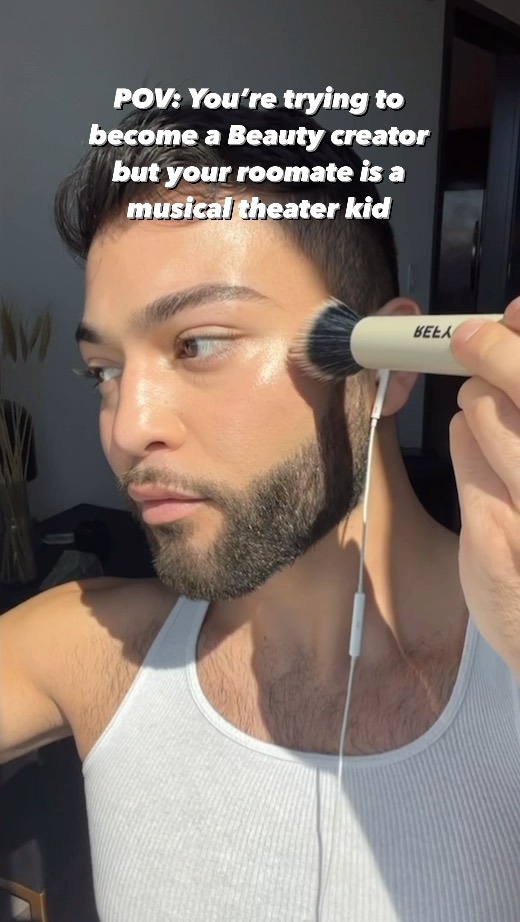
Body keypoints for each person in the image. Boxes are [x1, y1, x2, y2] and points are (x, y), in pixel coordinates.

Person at [2, 105, 520, 922]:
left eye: (199, 343)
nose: (128, 428)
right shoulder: (91, 649)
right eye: (104, 369)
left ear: (387, 366)